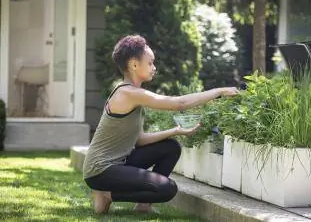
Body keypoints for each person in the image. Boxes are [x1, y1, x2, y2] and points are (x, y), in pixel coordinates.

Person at [82, 34, 239, 214]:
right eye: (150, 63)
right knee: (167, 189)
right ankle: (107, 195)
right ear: (134, 64)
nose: (154, 67)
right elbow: (179, 104)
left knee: (171, 147)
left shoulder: (133, 94)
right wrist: (219, 91)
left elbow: (139, 140)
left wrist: (175, 131)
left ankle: (143, 206)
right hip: (100, 170)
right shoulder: (128, 93)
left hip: (119, 163)